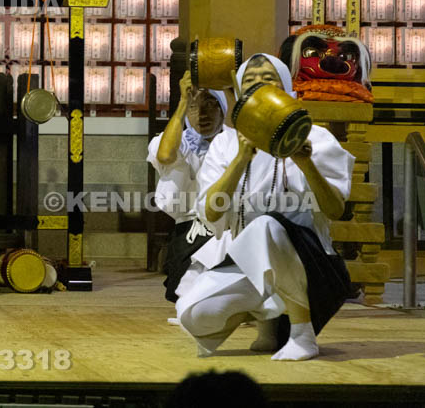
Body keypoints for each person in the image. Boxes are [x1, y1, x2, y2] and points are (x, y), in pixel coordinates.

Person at [176, 54, 353, 361]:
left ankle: (302, 333)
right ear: (239, 93)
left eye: (268, 79)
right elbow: (212, 213)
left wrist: (305, 162)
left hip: (311, 267)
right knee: (193, 314)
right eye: (249, 81)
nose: (258, 85)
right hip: (248, 262)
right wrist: (241, 159)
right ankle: (268, 321)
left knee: (266, 225)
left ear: (285, 88)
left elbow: (335, 209)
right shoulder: (225, 144)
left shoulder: (315, 136)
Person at [147, 71, 226, 306]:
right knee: (186, 294)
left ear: (223, 108)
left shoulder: (232, 143)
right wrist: (183, 101)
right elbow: (165, 155)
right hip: (189, 228)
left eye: (211, 104)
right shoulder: (177, 141)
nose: (202, 114)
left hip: (226, 228)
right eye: (194, 107)